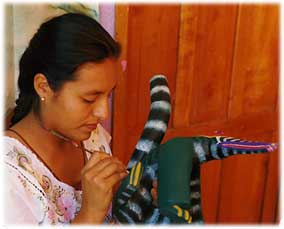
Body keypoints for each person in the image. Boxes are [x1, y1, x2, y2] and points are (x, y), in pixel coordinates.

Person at [3, 12, 156, 225]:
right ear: (43, 87)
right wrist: (90, 214)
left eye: (108, 95)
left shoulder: (92, 138)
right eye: (89, 99)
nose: (103, 113)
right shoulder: (9, 177)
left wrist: (134, 199)